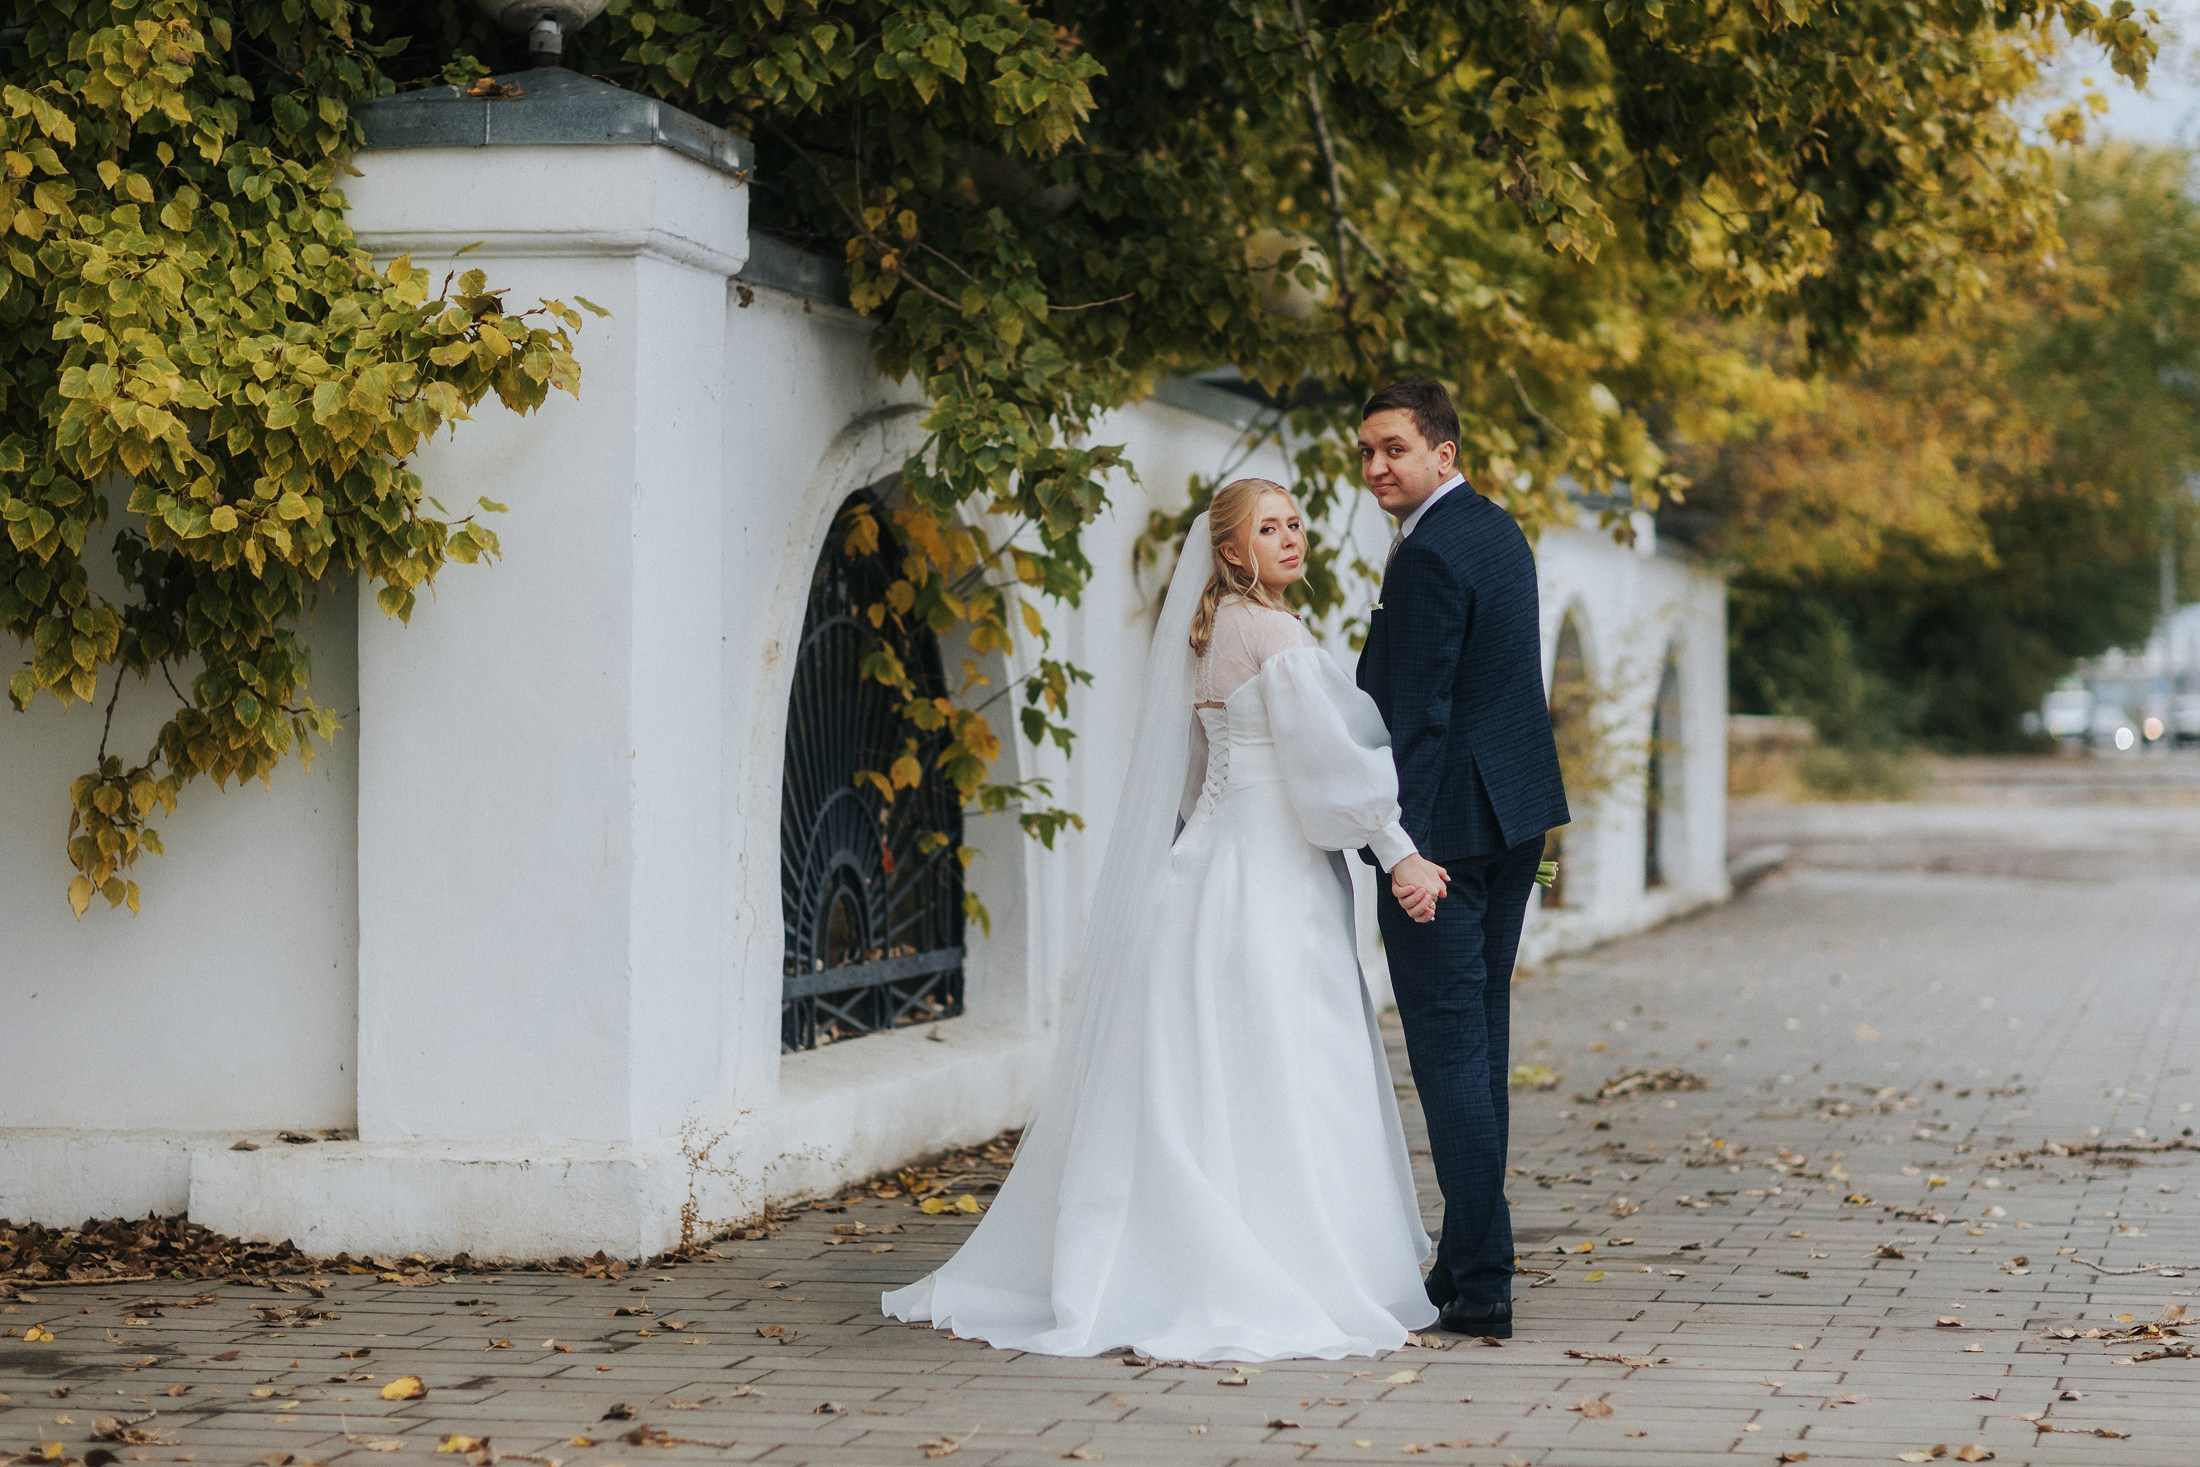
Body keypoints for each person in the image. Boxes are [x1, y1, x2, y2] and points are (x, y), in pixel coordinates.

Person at [882, 477, 1439, 1361]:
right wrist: (1398, 850)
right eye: (1270, 527)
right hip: (1273, 879)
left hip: (1203, 869)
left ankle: (1169, 1249)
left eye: (1295, 522)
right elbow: (1329, 770)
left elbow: (1192, 778)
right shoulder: (1274, 631)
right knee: (1288, 1056)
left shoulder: (1207, 633)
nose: (1292, 537)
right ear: (1231, 552)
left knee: (1203, 1063)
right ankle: (1298, 1259)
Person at [1354, 379, 1570, 1340]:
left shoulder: (1431, 553)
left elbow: (1425, 719)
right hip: (1514, 816)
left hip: (1446, 836)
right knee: (1477, 1042)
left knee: (1449, 1053)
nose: (1375, 468)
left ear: (1444, 451)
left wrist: (1405, 849)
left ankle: (1482, 1281)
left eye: (1394, 448)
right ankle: (1467, 1262)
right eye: (1365, 452)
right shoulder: (1498, 530)